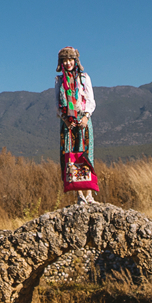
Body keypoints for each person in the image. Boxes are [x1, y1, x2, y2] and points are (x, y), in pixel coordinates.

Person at [55, 46, 98, 203]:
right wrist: (65, 119)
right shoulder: (59, 81)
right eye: (64, 60)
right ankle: (79, 194)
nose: (68, 63)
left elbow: (91, 100)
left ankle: (89, 194)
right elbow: (57, 104)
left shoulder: (84, 78)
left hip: (83, 121)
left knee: (85, 155)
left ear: (76, 61)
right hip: (67, 123)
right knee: (71, 157)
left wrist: (86, 117)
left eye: (70, 59)